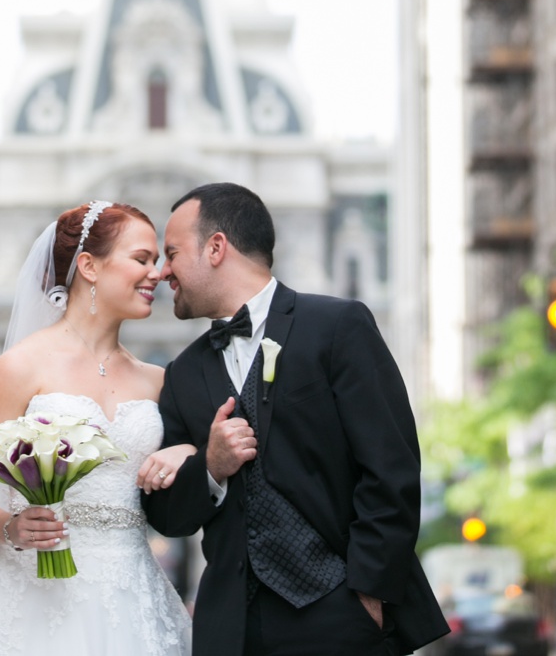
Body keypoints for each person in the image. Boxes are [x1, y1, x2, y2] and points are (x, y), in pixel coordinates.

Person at [143, 182, 450, 656]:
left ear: (217, 248)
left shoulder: (337, 327)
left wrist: (368, 594)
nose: (164, 272)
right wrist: (210, 467)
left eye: (173, 253)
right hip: (233, 630)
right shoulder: (182, 375)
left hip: (342, 614)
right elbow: (167, 517)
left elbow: (392, 468)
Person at [0, 200, 192, 656]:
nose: (158, 274)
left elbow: (190, 472)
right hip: (30, 600)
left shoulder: (159, 382)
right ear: (88, 266)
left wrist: (186, 454)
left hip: (132, 598)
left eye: (158, 261)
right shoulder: (18, 369)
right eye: (142, 259)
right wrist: (12, 527)